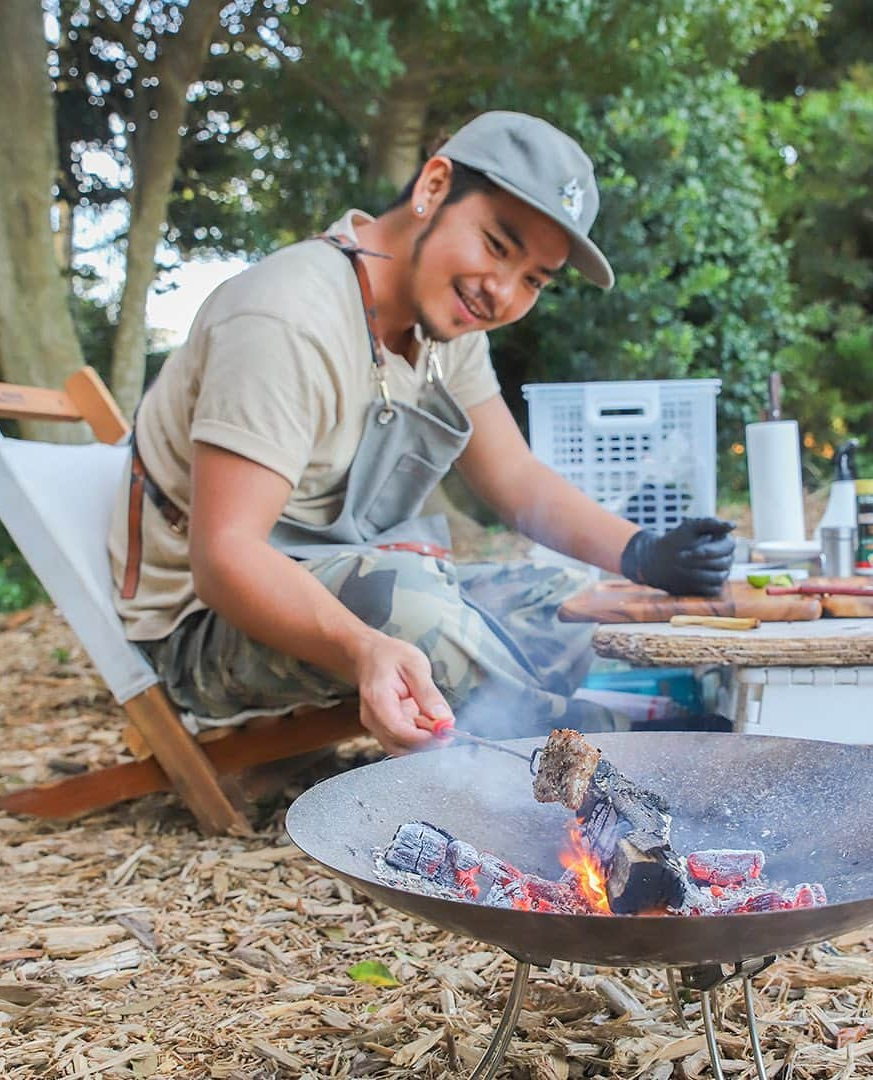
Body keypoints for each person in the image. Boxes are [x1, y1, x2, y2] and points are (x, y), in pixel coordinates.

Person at [108, 111, 735, 757]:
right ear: (433, 187)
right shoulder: (288, 319)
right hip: (206, 630)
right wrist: (364, 648)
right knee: (416, 610)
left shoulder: (445, 321)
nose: (501, 294)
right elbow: (225, 558)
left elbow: (514, 479)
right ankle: (632, 753)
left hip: (357, 581)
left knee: (568, 602)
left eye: (533, 282)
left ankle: (570, 723)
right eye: (497, 246)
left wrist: (644, 555)